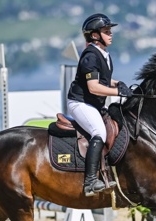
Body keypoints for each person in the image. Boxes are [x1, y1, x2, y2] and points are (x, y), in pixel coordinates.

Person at [67, 13, 133, 197]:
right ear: (95, 35)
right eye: (106, 31)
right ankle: (89, 182)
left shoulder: (103, 54)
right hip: (80, 103)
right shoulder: (90, 56)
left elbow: (103, 79)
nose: (111, 34)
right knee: (99, 132)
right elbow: (94, 87)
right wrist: (118, 93)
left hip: (91, 104)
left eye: (110, 30)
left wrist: (118, 84)